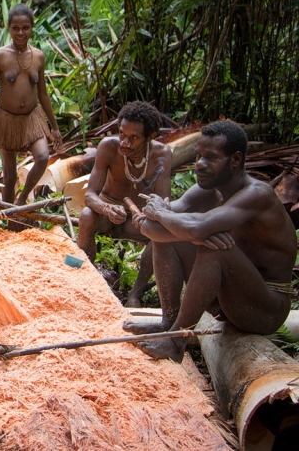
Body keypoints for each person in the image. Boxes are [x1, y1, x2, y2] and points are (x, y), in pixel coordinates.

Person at [125, 120, 296, 362]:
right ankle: (169, 322)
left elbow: (189, 227)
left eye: (210, 157)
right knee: (174, 236)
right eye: (198, 156)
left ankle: (176, 341)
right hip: (226, 300)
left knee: (213, 248)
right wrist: (154, 220)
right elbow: (157, 229)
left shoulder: (257, 195)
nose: (199, 165)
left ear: (235, 160)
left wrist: (162, 214)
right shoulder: (207, 190)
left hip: (265, 308)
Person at [0, 4, 62, 207]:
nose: (20, 32)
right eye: (15, 28)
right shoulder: (0, 56)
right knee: (9, 177)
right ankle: (8, 219)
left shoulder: (39, 57)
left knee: (42, 156)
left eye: (25, 27)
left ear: (32, 28)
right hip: (6, 119)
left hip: (32, 118)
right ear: (8, 27)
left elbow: (43, 94)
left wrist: (55, 126)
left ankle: (23, 197)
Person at [77, 101, 172, 307]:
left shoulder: (162, 154)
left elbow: (164, 202)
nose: (125, 143)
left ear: (151, 137)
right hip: (107, 214)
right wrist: (106, 208)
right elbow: (90, 195)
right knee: (85, 215)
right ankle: (86, 281)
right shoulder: (108, 147)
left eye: (134, 138)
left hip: (137, 218)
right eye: (122, 134)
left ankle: (135, 294)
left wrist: (149, 216)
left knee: (160, 233)